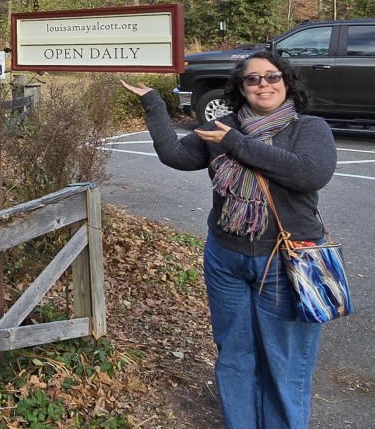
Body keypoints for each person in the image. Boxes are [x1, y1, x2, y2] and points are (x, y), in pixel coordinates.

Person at [121, 51, 336, 429]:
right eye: (252, 79)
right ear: (241, 88)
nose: (263, 85)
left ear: (286, 82)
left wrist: (235, 142)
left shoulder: (308, 128)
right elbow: (177, 155)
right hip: (226, 259)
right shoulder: (223, 126)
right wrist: (153, 103)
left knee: (285, 362)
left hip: (286, 260)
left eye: (271, 77)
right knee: (235, 355)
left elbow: (308, 174)